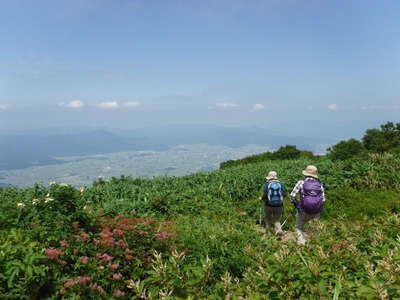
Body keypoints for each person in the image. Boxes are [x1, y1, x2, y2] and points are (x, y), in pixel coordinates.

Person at [290, 165, 325, 245]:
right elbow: (323, 199)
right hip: (316, 212)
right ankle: (315, 246)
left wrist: (297, 205)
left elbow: (292, 196)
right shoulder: (319, 184)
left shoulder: (301, 182)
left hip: (303, 210)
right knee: (314, 228)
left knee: (299, 227)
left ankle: (302, 244)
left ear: (305, 174)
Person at [260, 171, 286, 235]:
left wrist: (261, 198)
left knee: (268, 219)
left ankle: (268, 233)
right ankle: (279, 230)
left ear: (269, 178)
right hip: (279, 205)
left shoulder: (267, 185)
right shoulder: (281, 185)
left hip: (268, 205)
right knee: (277, 219)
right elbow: (284, 194)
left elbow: (265, 195)